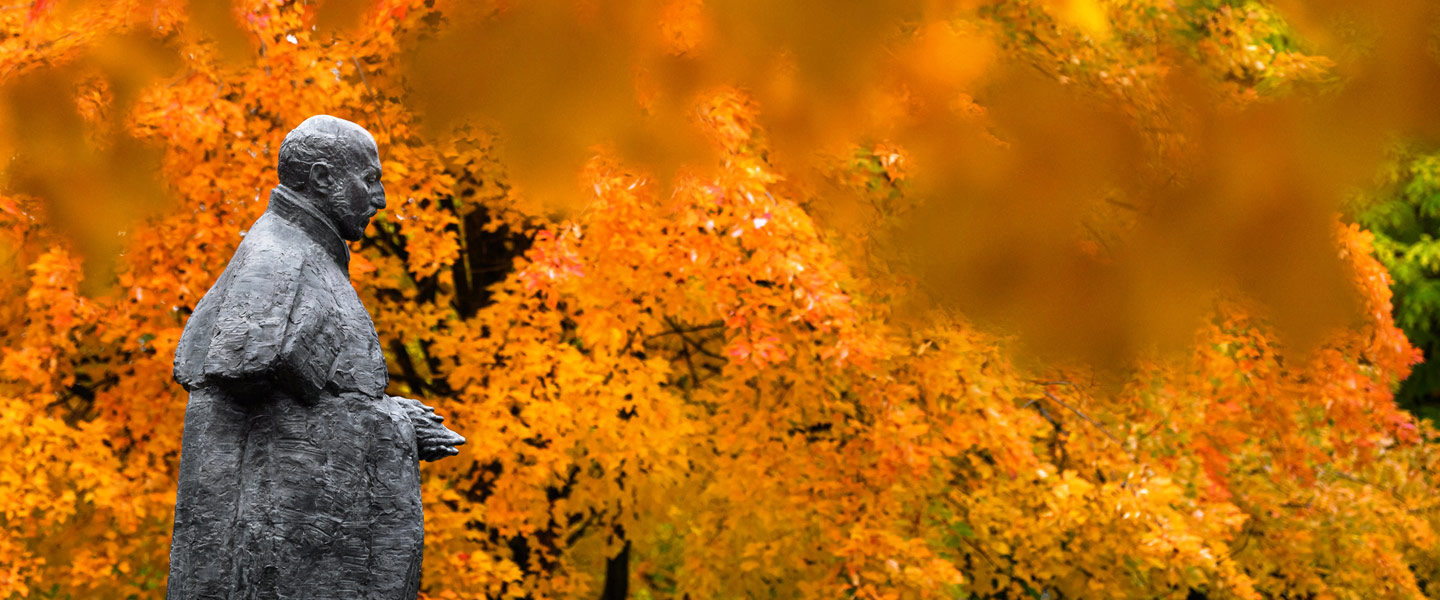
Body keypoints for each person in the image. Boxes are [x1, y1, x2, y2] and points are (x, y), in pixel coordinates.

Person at [167, 115, 464, 599]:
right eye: (369, 180)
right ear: (323, 178)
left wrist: (387, 413)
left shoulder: (307, 255)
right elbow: (244, 365)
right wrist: (394, 425)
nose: (380, 199)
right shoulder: (278, 257)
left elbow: (299, 391)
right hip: (279, 562)